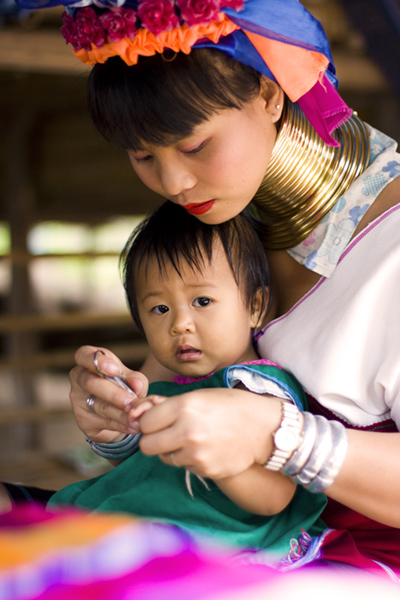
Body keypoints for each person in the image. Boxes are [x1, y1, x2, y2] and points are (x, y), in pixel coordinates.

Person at [12, 0, 400, 579]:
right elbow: (170, 386)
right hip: (218, 532)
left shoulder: (390, 249)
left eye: (194, 146)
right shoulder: (220, 220)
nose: (172, 182)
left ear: (271, 94)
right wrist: (120, 411)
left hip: (353, 565)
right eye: (143, 155)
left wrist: (279, 434)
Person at [47, 201, 327, 561]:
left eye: (203, 300)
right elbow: (138, 461)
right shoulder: (170, 385)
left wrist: (216, 459)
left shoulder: (256, 389)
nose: (180, 323)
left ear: (255, 306)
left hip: (221, 540)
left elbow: (274, 498)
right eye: (160, 309)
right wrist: (115, 427)